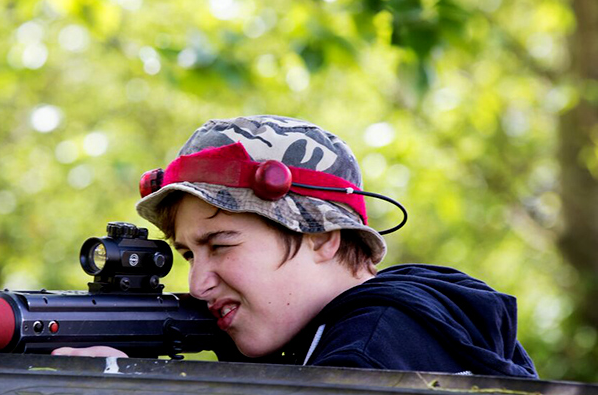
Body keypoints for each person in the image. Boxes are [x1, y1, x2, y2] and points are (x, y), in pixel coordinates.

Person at [53, 115, 538, 378]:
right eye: (188, 255)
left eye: (220, 245)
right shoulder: (334, 338)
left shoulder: (375, 347)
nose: (198, 284)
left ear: (323, 237)